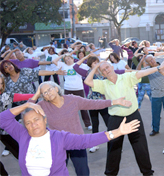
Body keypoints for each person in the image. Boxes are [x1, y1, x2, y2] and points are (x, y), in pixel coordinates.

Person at [84, 59, 164, 176]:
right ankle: (111, 174)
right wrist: (96, 67)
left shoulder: (126, 77)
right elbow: (87, 81)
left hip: (133, 116)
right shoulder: (103, 84)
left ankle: (147, 173)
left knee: (140, 146)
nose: (106, 70)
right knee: (113, 148)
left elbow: (142, 73)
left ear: (112, 67)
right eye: (103, 70)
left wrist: (158, 67)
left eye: (107, 67)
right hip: (115, 119)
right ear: (102, 74)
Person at [0, 101, 140, 176]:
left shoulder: (59, 137)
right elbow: (2, 119)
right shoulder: (22, 135)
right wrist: (26, 105)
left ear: (44, 120)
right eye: (28, 123)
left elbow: (86, 140)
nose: (33, 124)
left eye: (36, 119)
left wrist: (117, 132)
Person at [29, 81, 133, 176]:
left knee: (83, 172)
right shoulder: (42, 105)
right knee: (56, 172)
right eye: (44, 93)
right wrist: (37, 93)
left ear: (56, 89)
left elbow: (93, 103)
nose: (48, 93)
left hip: (77, 141)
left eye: (49, 89)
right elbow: (27, 112)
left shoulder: (72, 99)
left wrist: (114, 102)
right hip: (58, 144)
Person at [73, 54, 126, 153]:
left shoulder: (103, 73)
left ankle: (115, 144)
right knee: (95, 123)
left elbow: (118, 72)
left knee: (108, 122)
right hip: (92, 102)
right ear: (90, 65)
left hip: (103, 102)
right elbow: (75, 67)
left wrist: (129, 70)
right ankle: (94, 144)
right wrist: (85, 57)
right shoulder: (88, 73)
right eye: (94, 63)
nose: (96, 64)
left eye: (97, 62)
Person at [55, 54, 92, 130]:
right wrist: (62, 55)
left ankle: (88, 124)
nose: (67, 60)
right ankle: (68, 124)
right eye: (66, 60)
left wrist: (86, 57)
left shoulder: (78, 65)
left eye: (69, 58)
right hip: (68, 89)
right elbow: (54, 61)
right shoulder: (63, 65)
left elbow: (90, 68)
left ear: (72, 58)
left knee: (83, 107)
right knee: (67, 107)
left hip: (78, 88)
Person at [0, 74, 34, 157]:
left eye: (1, 83)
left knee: (20, 153)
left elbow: (22, 96)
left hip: (4, 131)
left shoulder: (4, 97)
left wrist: (41, 94)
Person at [141, 55, 164, 136]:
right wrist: (141, 61)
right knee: (155, 113)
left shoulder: (163, 65)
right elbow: (138, 71)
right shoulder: (148, 70)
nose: (152, 61)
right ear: (147, 63)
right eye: (149, 61)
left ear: (154, 58)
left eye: (152, 59)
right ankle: (155, 129)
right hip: (155, 95)